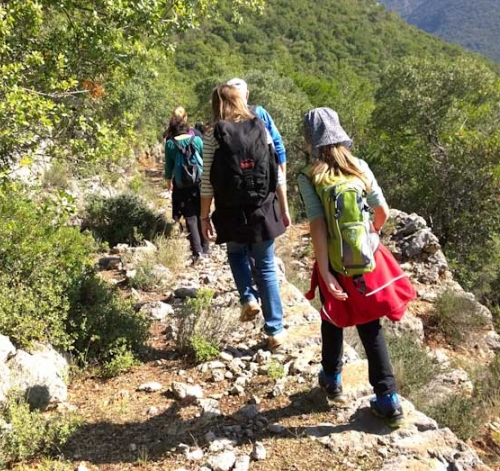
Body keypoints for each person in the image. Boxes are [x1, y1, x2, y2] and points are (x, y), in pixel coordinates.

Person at [299, 107, 416, 427]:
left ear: (310, 140)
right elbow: (383, 213)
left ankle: (332, 379)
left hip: (336, 264)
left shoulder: (310, 177)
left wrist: (324, 272)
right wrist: (370, 236)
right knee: (370, 326)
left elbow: (318, 227)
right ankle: (388, 399)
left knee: (332, 316)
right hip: (368, 260)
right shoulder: (360, 167)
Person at [200, 85, 290, 349]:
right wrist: (284, 208)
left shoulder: (213, 135)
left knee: (237, 254)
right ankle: (275, 330)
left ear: (216, 105)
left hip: (230, 210)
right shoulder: (260, 126)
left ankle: (248, 298)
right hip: (263, 207)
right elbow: (277, 173)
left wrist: (205, 217)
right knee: (266, 265)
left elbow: (207, 182)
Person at [164, 106, 209, 262]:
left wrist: (169, 183)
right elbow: (206, 159)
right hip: (199, 182)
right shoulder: (196, 139)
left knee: (190, 217)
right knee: (202, 213)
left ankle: (197, 252)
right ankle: (206, 247)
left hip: (181, 185)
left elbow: (168, 167)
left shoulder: (170, 144)